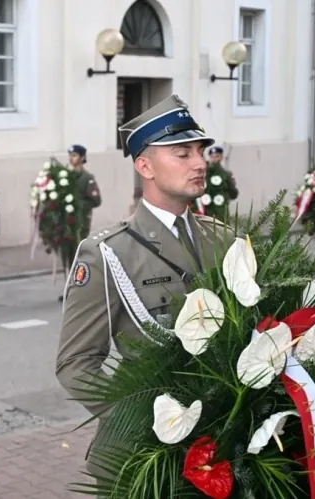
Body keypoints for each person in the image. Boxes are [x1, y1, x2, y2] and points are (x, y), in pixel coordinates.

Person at [55, 95, 234, 485]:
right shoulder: (107, 254)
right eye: (182, 153)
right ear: (144, 166)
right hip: (145, 459)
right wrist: (138, 418)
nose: (200, 162)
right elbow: (75, 363)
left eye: (200, 151)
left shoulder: (223, 240)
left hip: (224, 449)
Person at [59, 145, 102, 302]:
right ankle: (69, 288)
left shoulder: (87, 178)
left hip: (81, 222)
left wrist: (78, 204)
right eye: (70, 155)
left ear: (83, 157)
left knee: (78, 255)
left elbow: (96, 200)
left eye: (75, 155)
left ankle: (80, 288)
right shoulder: (66, 177)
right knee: (67, 254)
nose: (72, 158)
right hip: (67, 222)